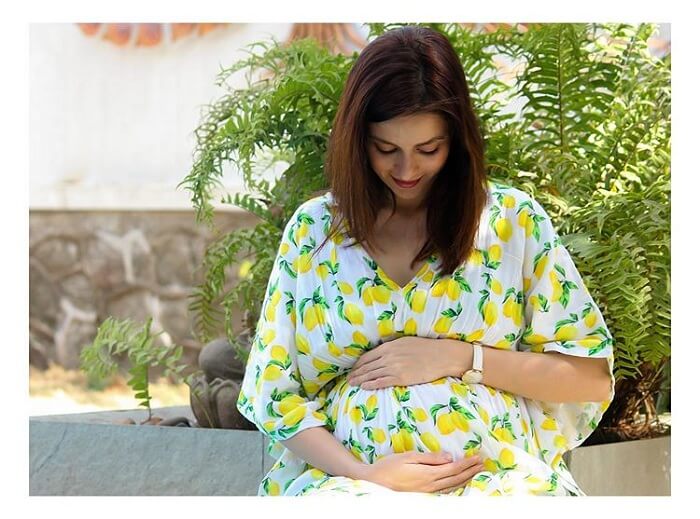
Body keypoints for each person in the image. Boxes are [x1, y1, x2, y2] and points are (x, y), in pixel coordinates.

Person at [235, 25, 615, 496]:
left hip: (496, 482)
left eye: (428, 149)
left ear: (457, 141)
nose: (407, 170)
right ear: (357, 140)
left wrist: (459, 358)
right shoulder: (315, 231)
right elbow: (272, 394)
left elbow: (590, 378)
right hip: (348, 484)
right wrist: (366, 475)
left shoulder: (511, 222)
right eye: (385, 149)